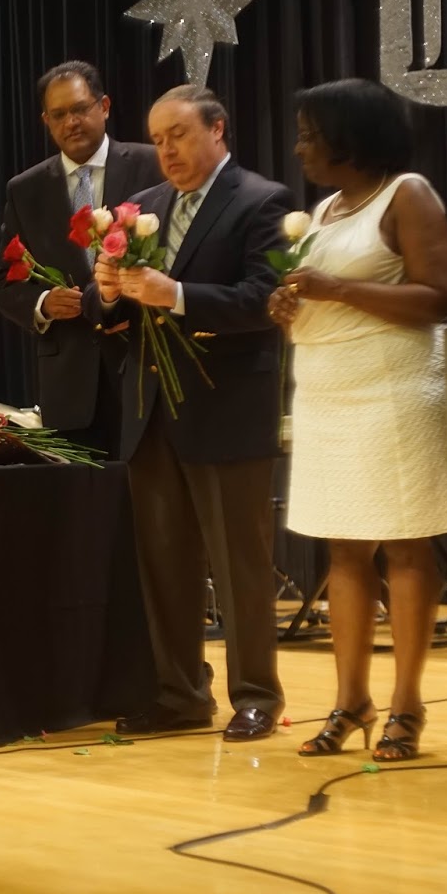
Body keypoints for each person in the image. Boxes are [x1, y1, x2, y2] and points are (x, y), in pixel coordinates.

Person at [267, 78, 447, 762]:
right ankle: (350, 700)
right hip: (328, 389)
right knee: (344, 546)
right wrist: (294, 305)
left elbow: (440, 296)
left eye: (309, 133)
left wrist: (335, 290)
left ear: (350, 136)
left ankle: (407, 707)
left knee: (405, 543)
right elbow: (326, 293)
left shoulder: (407, 193)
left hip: (393, 388)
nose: (299, 145)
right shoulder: (324, 209)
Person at [83, 85, 292, 742]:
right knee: (164, 564)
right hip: (151, 413)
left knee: (239, 565)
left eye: (177, 134)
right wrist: (108, 293)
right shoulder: (143, 207)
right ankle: (179, 692)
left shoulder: (262, 201)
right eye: (157, 137)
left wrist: (176, 295)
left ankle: (256, 695)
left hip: (225, 408)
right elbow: (104, 314)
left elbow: (265, 299)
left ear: (217, 129)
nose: (165, 149)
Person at [0, 61, 163, 451]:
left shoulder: (152, 164)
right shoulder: (26, 189)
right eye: (59, 115)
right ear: (46, 121)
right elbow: (4, 284)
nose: (71, 122)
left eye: (80, 109)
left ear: (104, 106)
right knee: (83, 506)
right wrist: (42, 304)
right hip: (68, 386)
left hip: (143, 367)